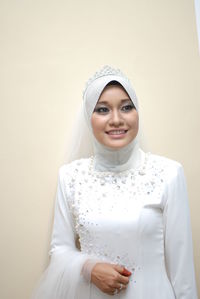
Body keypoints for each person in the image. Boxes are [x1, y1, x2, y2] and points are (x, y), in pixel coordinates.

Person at [31, 66, 198, 299]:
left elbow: (183, 273)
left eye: (126, 107)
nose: (116, 120)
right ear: (88, 117)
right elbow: (59, 250)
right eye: (102, 110)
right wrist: (90, 268)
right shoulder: (70, 176)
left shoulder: (168, 173)